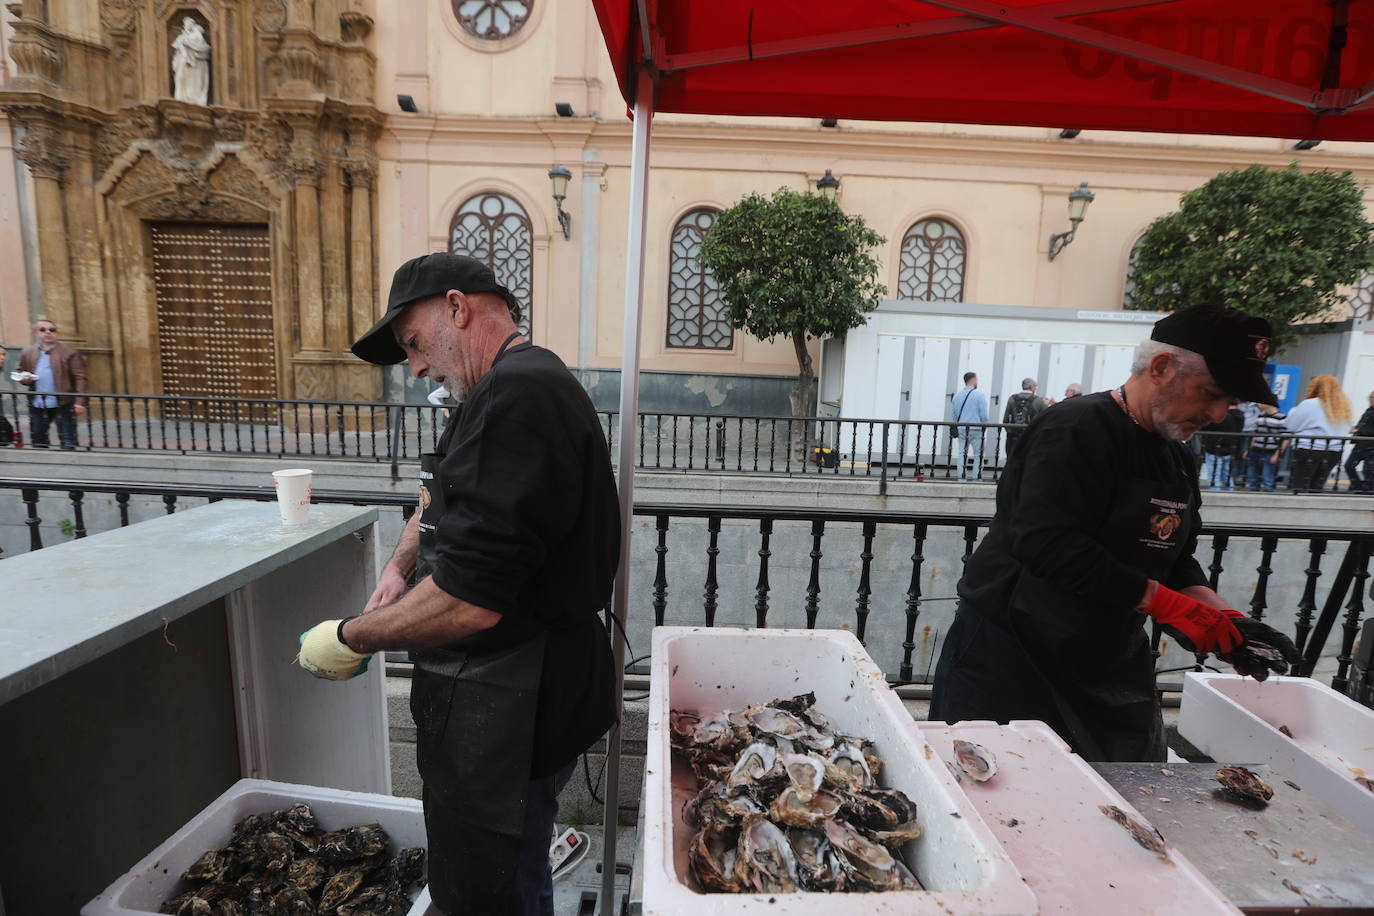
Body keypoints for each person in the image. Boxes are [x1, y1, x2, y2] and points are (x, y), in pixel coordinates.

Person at [295, 254, 618, 915]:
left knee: (494, 894)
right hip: (505, 699)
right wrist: (398, 568)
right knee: (516, 870)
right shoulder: (507, 387)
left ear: (456, 307)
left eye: (414, 343)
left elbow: (471, 603)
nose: (415, 368)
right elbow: (439, 499)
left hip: (513, 708)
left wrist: (351, 637)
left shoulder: (517, 397)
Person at [929, 303, 1299, 762]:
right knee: (996, 788)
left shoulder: (1177, 455)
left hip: (1109, 658)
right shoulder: (1074, 428)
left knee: (1132, 787)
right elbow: (1047, 544)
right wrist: (1168, 606)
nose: (1220, 413)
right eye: (1211, 393)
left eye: (1230, 402)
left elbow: (1174, 558)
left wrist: (1222, 620)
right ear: (1160, 368)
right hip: (1012, 656)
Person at [17, 316, 87, 449]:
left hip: (63, 401)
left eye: (52, 330)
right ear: (36, 333)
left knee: (68, 440)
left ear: (56, 333)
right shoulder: (27, 352)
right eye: (43, 329)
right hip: (38, 402)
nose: (48, 332)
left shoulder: (70, 352)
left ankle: (70, 458)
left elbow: (80, 378)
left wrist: (79, 402)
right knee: (38, 439)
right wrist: (24, 379)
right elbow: (21, 371)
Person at [1285, 375, 1351, 493]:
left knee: (1300, 485)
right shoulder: (1343, 406)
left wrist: (1294, 411)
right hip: (1333, 450)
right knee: (1316, 487)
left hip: (1308, 447)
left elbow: (1291, 425)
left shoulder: (1310, 403)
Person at [949, 371, 988, 480]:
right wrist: (984, 425)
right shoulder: (980, 395)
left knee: (962, 453)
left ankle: (961, 477)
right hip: (976, 429)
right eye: (977, 379)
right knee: (978, 455)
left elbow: (954, 415)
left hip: (961, 428)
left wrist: (955, 427)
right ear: (974, 380)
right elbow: (984, 415)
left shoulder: (957, 396)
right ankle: (977, 478)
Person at [1199, 398, 1243, 490]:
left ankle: (1215, 492)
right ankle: (1230, 492)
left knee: (1214, 475)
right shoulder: (1239, 416)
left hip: (1215, 448)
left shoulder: (1222, 416)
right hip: (1230, 448)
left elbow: (1205, 427)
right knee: (1227, 475)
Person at [1244, 404, 1287, 492]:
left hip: (1271, 449)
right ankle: (1253, 491)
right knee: (1253, 474)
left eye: (1261, 403)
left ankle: (1268, 492)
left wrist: (1278, 454)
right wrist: (1250, 449)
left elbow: (1286, 438)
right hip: (1257, 447)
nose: (1259, 405)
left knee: (1267, 476)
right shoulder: (1260, 416)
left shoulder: (1281, 417)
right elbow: (1256, 433)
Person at [1002, 377, 1048, 455]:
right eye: (1035, 387)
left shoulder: (1012, 398)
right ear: (1031, 387)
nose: (1035, 389)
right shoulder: (1038, 400)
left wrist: (1010, 432)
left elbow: (1005, 420)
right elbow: (1046, 417)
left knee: (1012, 458)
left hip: (1013, 437)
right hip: (1030, 437)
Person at [1344, 391, 1374, 494]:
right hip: (1360, 445)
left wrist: (1358, 430)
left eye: (1372, 398)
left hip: (1371, 447)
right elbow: (1362, 425)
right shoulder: (1368, 411)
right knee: (1348, 465)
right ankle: (1358, 486)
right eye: (1369, 397)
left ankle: (1368, 490)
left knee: (1368, 471)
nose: (1369, 400)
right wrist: (1355, 428)